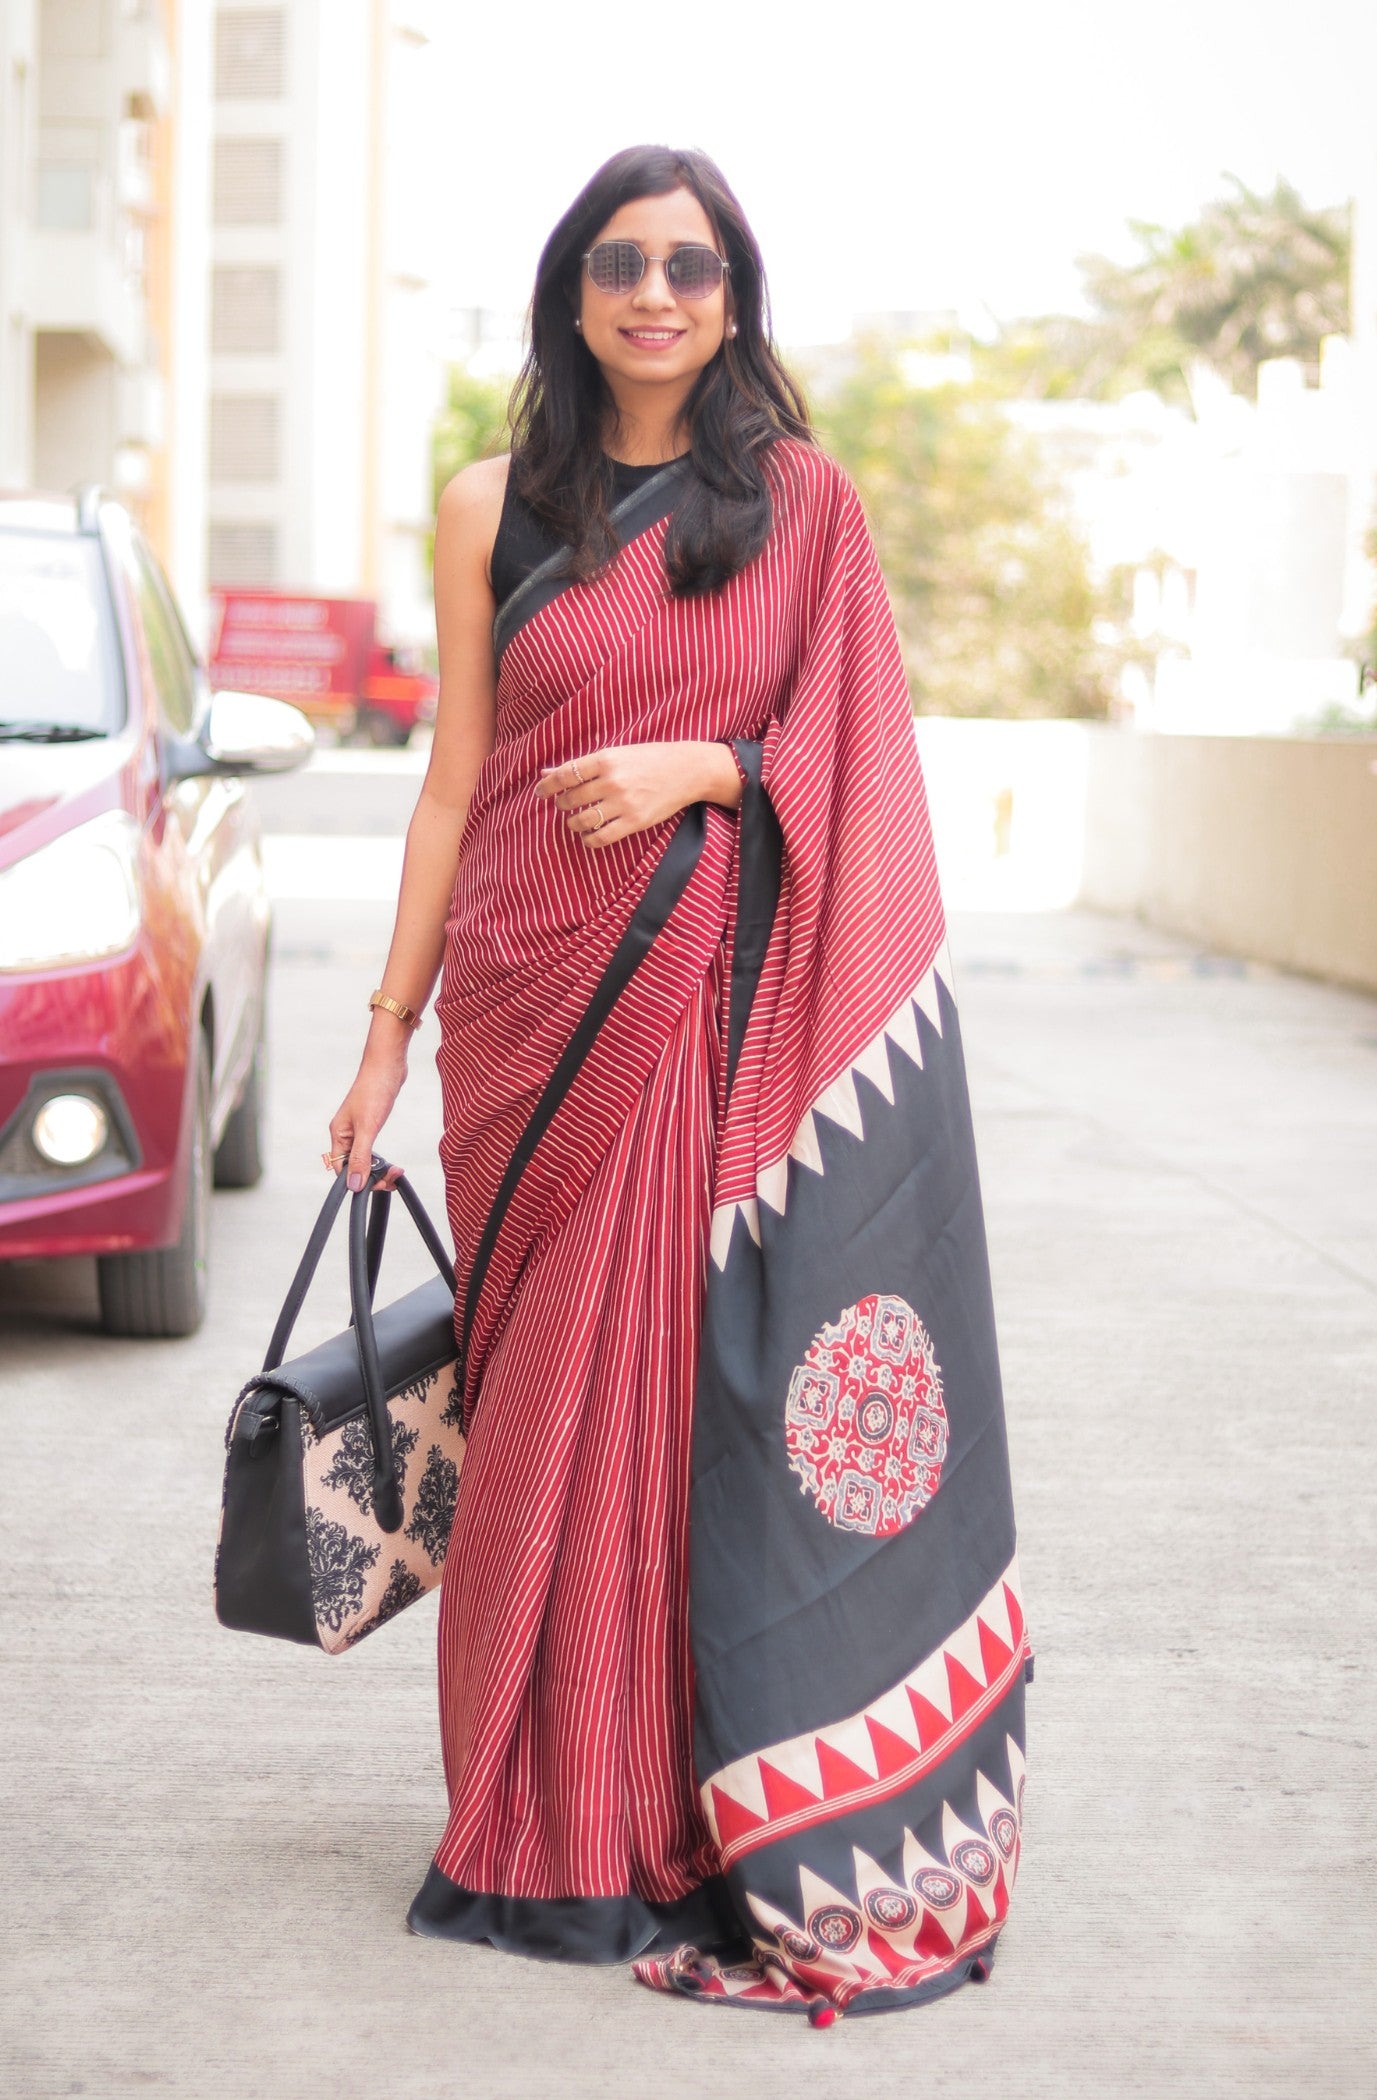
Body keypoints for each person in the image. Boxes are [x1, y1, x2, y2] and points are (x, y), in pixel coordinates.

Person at [326, 144, 1027, 2024]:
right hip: (515, 1013)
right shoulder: (491, 504)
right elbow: (452, 781)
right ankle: (509, 1806)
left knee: (633, 1409)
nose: (656, 293)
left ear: (734, 299)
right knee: (529, 1395)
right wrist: (389, 1030)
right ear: (571, 291)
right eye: (622, 263)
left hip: (686, 1004)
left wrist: (706, 770)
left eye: (692, 266)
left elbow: (850, 745)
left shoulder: (799, 506)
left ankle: (630, 1833)